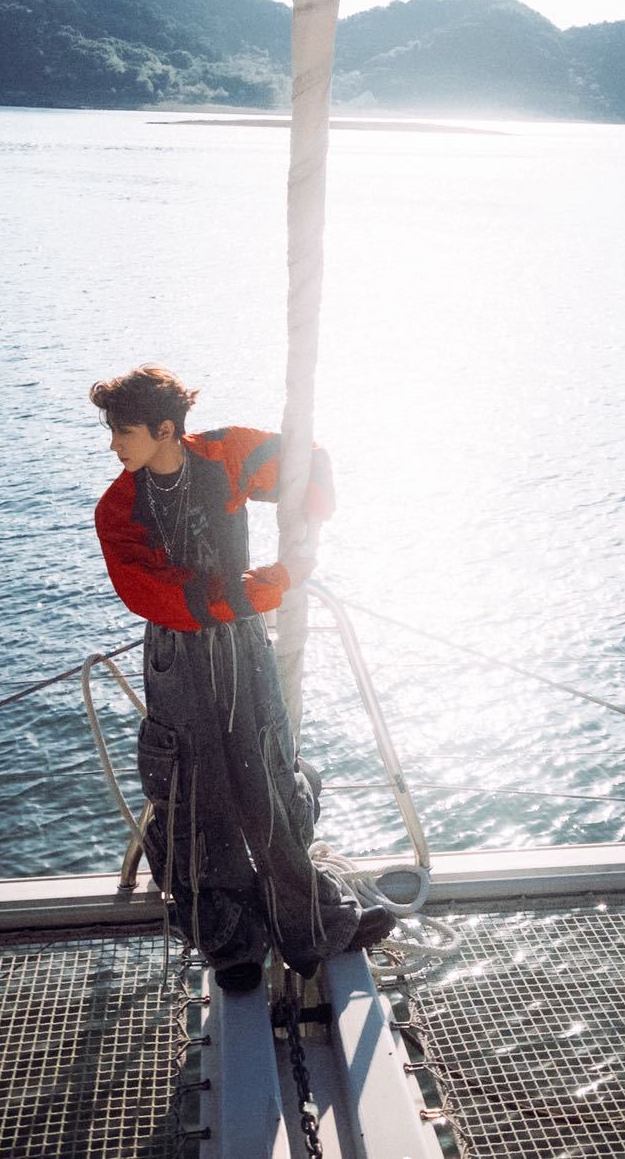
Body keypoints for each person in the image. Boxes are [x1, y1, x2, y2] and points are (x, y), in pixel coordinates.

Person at [89, 364, 393, 991]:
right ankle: (229, 942)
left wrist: (307, 534)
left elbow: (304, 462)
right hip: (178, 656)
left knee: (268, 773)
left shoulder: (223, 455)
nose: (114, 444)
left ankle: (312, 925)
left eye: (123, 430)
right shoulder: (119, 507)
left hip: (243, 647)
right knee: (195, 790)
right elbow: (150, 593)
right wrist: (265, 586)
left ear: (165, 428)